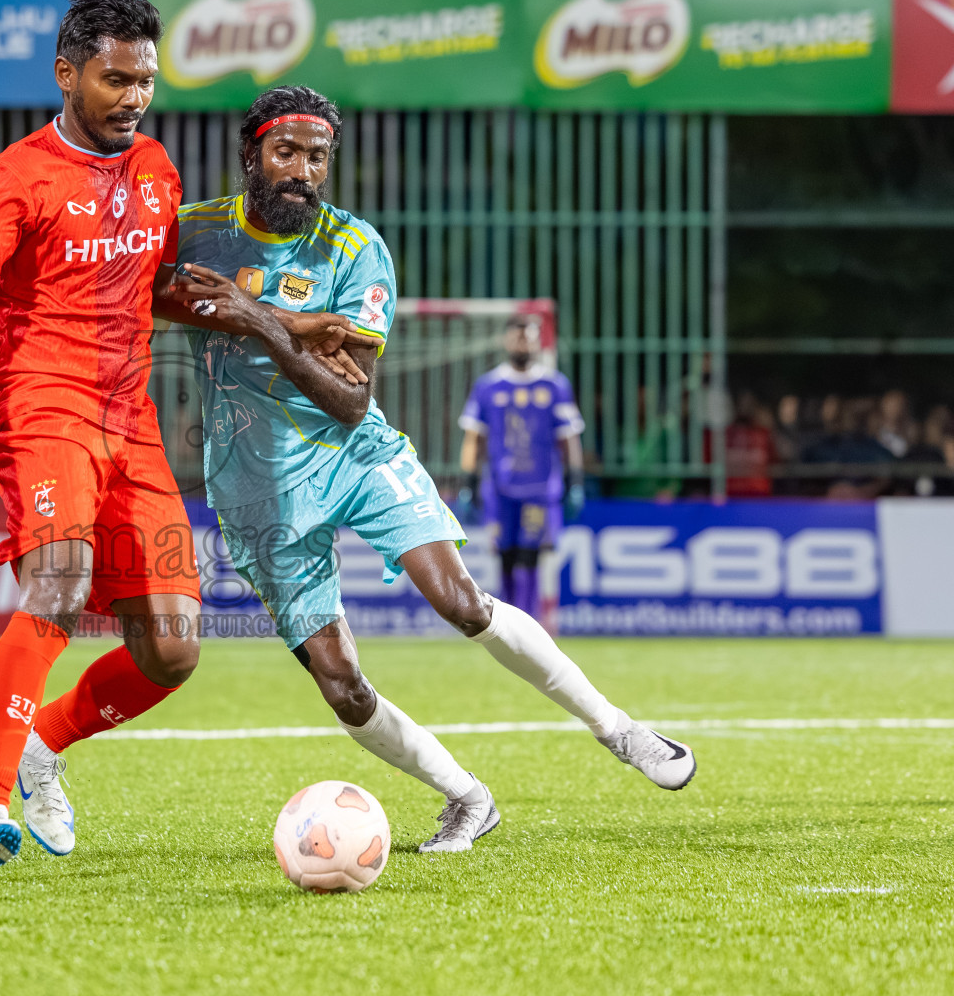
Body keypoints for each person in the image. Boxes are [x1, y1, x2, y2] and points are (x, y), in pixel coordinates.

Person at [160, 86, 695, 854]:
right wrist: (294, 325)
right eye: (287, 152)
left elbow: (350, 398)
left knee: (462, 602)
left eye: (318, 156)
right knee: (341, 686)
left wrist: (256, 323)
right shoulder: (197, 232)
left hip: (354, 455)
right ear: (251, 154)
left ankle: (620, 730)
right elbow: (140, 294)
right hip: (254, 487)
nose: (302, 170)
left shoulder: (353, 248)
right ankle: (467, 799)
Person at [0, 0, 201, 883]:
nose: (134, 96)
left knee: (174, 646)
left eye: (146, 80)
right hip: (43, 404)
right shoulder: (18, 175)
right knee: (60, 582)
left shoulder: (156, 166)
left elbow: (158, 290)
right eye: (116, 79)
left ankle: (45, 743)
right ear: (67, 74)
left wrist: (284, 327)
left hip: (133, 420)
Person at [457, 318, 587, 618]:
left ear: (538, 342)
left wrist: (575, 480)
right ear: (506, 341)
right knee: (504, 554)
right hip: (500, 488)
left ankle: (530, 618)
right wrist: (469, 481)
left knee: (531, 555)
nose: (523, 344)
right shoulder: (488, 386)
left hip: (540, 489)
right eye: (518, 338)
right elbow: (473, 437)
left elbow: (569, 438)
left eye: (528, 338)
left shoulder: (555, 385)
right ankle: (508, 619)